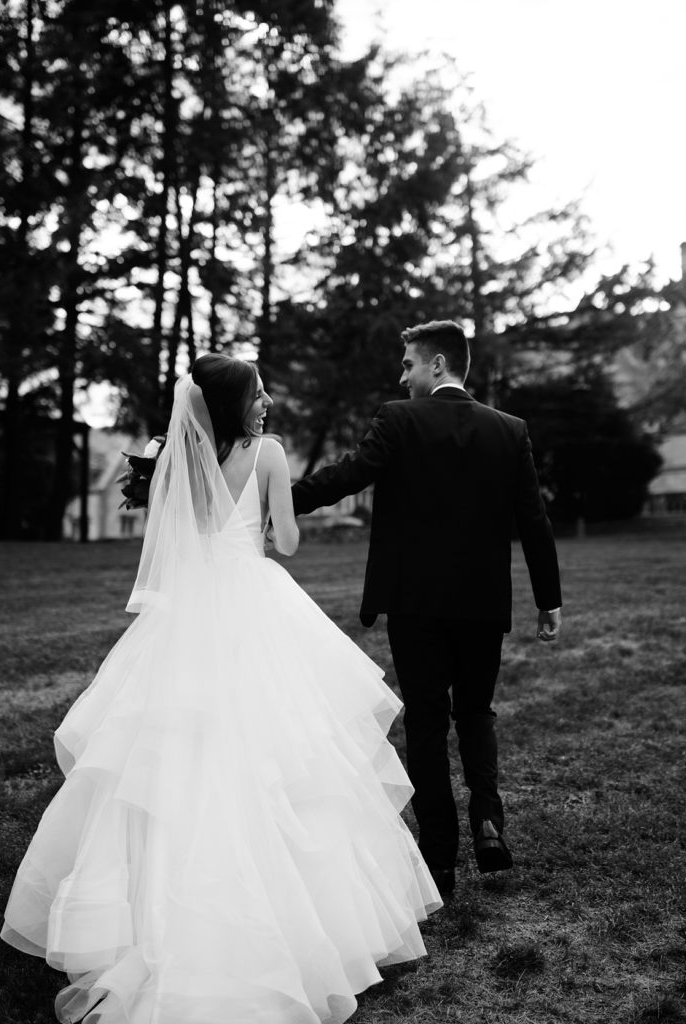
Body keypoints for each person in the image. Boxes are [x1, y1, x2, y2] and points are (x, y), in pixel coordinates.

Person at [1, 354, 439, 1024]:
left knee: (179, 757)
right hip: (254, 603)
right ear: (236, 403)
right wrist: (269, 518)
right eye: (260, 394)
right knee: (285, 750)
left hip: (191, 614)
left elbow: (179, 538)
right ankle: (306, 925)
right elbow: (286, 542)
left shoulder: (179, 457)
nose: (267, 403)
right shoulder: (267, 454)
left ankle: (159, 917)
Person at [292, 320, 562, 900]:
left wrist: (278, 500)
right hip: (481, 603)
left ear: (438, 365)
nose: (402, 376)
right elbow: (533, 522)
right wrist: (549, 600)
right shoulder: (509, 431)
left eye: (409, 364)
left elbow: (347, 476)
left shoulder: (398, 419)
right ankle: (488, 820)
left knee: (426, 723)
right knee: (477, 712)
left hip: (414, 603)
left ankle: (439, 859)